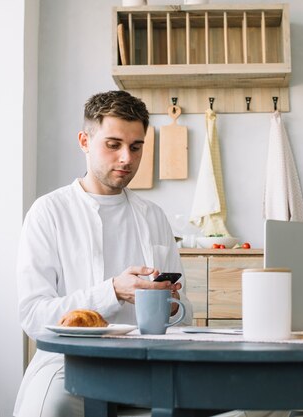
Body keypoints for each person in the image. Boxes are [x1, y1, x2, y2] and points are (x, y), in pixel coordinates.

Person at [14, 90, 193, 417]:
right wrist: (112, 291)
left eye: (136, 147)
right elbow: (33, 316)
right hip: (69, 366)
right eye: (113, 145)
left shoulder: (153, 216)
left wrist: (169, 306)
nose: (127, 158)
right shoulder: (48, 213)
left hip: (147, 367)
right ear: (84, 141)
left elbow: (186, 312)